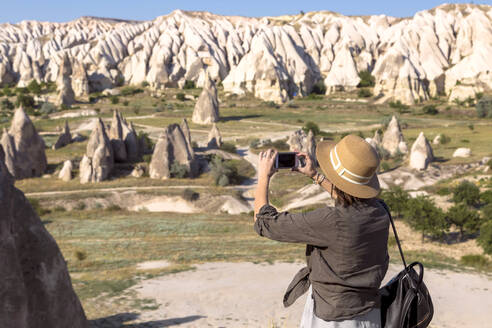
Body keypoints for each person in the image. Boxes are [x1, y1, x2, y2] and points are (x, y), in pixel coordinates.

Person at [253, 134, 389, 327]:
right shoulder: (380, 211)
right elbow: (352, 201)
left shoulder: (331, 221)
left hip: (332, 319)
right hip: (370, 316)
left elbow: (264, 223)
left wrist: (263, 177)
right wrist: (315, 176)